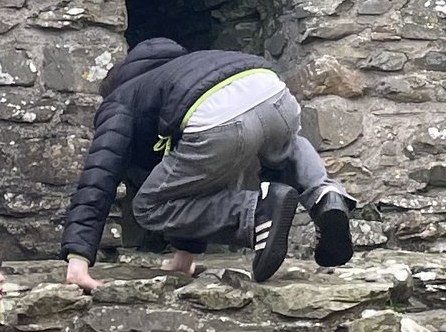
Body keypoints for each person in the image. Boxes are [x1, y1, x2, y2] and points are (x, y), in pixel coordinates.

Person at [61, 37, 354, 292]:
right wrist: (184, 258)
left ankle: (253, 214)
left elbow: (99, 175)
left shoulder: (122, 98)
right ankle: (326, 196)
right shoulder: (191, 66)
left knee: (148, 205)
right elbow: (190, 185)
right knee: (288, 144)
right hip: (271, 88)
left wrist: (78, 256)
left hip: (215, 114)